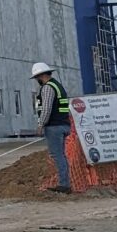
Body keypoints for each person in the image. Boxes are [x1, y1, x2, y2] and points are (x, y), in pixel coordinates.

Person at [31, 62, 71, 194]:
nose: (37, 80)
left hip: (54, 126)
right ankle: (64, 182)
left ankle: (64, 185)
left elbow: (47, 108)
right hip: (63, 124)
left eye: (37, 77)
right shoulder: (58, 86)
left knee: (57, 155)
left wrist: (40, 125)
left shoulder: (48, 88)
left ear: (41, 75)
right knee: (61, 155)